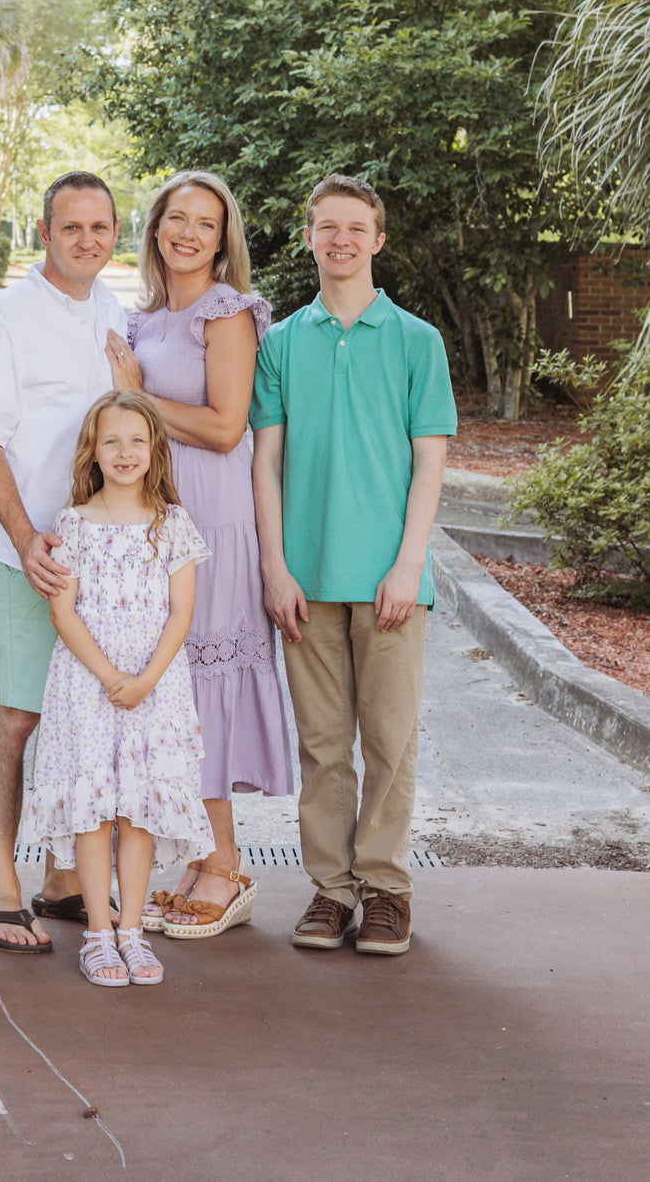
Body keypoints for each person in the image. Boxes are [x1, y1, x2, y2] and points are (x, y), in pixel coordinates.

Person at [250, 173, 457, 957]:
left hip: (389, 581)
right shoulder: (280, 343)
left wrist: (408, 565)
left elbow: (429, 463)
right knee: (322, 745)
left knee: (390, 742)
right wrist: (275, 566)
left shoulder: (417, 341)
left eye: (355, 228)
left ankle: (386, 890)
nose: (341, 240)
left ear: (378, 240)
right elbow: (266, 462)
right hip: (305, 579)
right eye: (327, 227)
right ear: (308, 237)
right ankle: (332, 890)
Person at [105, 171, 292, 938]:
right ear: (155, 228)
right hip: (156, 525)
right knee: (170, 693)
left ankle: (225, 862)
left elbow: (224, 427)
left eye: (205, 224)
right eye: (176, 218)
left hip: (213, 522)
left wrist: (137, 398)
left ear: (223, 241)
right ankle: (202, 856)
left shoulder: (227, 312)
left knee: (202, 690)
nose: (187, 232)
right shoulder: (145, 319)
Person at [0, 172, 126, 952]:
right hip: (32, 556)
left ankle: (62, 881)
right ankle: (0, 887)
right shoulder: (5, 319)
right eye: (71, 227)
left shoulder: (112, 312)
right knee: (20, 713)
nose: (87, 240)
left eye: (100, 226)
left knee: (83, 717)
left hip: (107, 561)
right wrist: (25, 538)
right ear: (43, 232)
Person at [23, 391, 214, 986]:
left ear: (155, 449)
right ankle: (99, 936)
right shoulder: (74, 524)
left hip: (155, 686)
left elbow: (182, 613)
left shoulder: (172, 523)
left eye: (137, 440)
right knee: (94, 812)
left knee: (138, 812)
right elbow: (63, 612)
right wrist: (111, 678)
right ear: (94, 451)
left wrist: (146, 680)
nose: (125, 452)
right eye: (112, 441)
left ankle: (132, 931)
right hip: (88, 687)